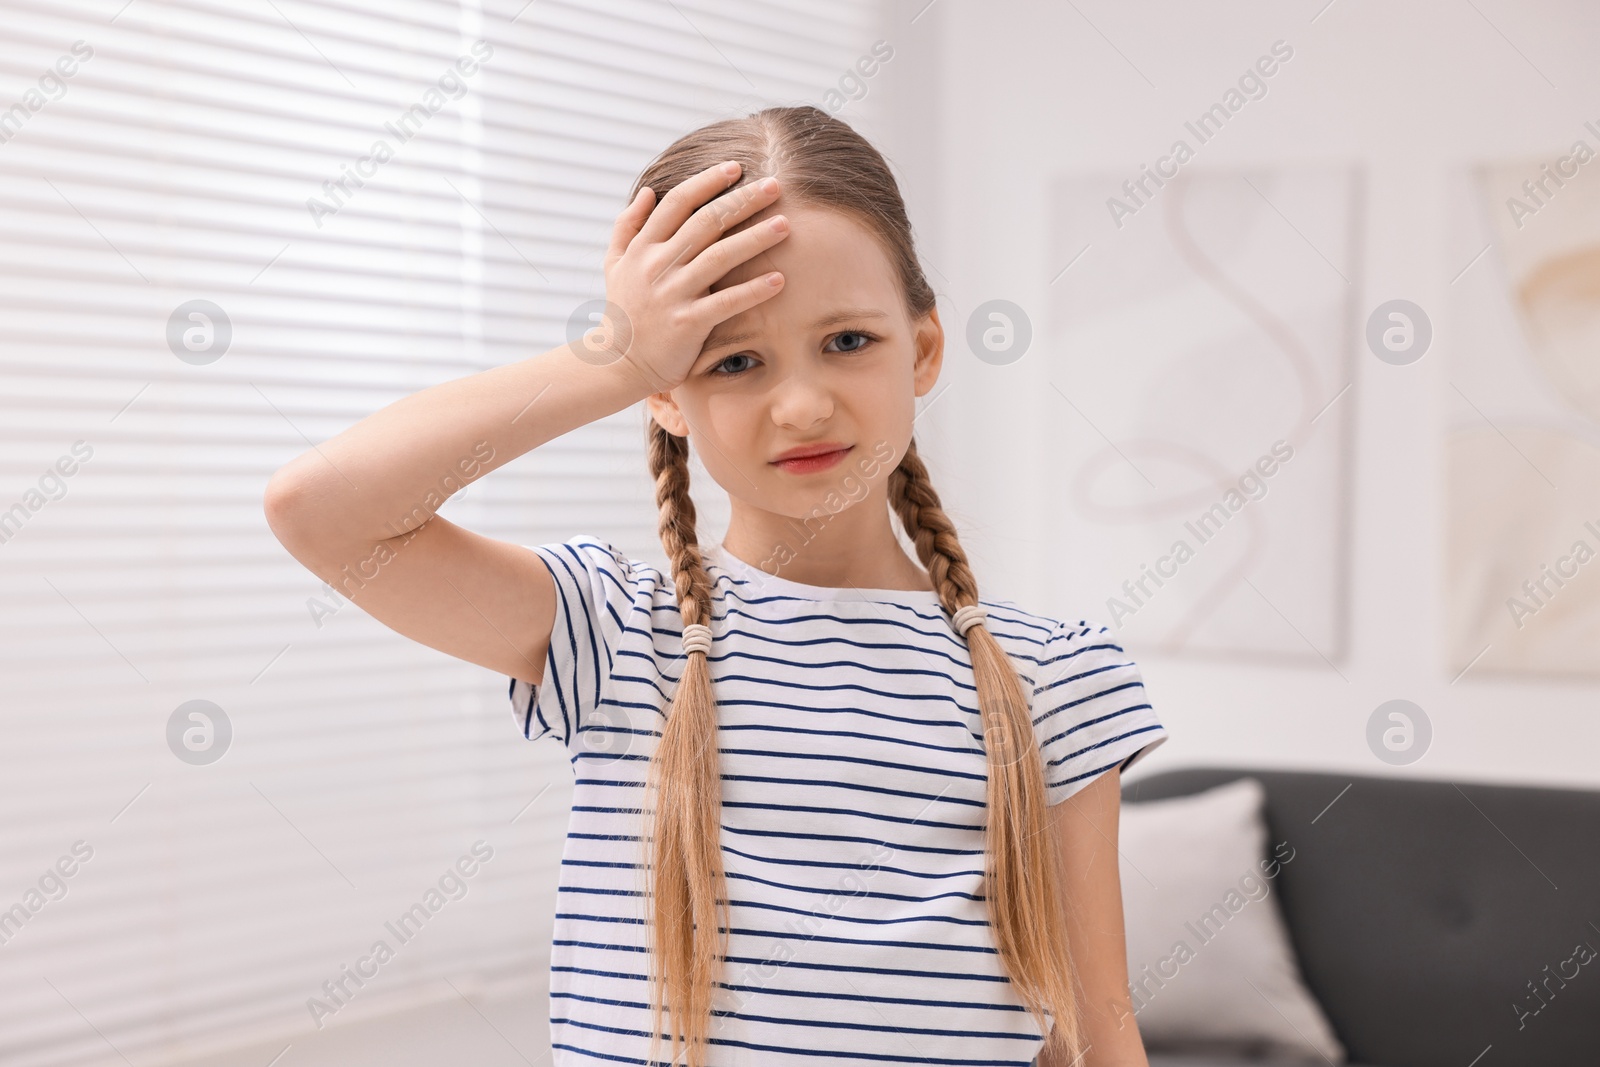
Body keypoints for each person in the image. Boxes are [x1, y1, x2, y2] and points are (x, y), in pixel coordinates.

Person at [264, 104, 1168, 1067]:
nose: (805, 402)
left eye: (848, 341)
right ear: (667, 397)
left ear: (927, 348)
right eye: (734, 360)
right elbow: (320, 509)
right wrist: (610, 359)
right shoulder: (615, 635)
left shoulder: (1054, 673)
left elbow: (1096, 1026)